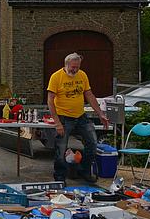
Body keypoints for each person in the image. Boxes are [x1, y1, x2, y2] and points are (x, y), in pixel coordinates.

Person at [47, 52, 110, 185]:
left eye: (77, 67)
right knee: (61, 148)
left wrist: (100, 113)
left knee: (92, 143)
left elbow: (89, 95)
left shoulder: (82, 75)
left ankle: (84, 170)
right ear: (66, 65)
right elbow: (50, 100)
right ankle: (60, 177)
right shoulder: (56, 77)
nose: (75, 70)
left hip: (80, 115)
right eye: (73, 67)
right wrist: (57, 122)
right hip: (64, 116)